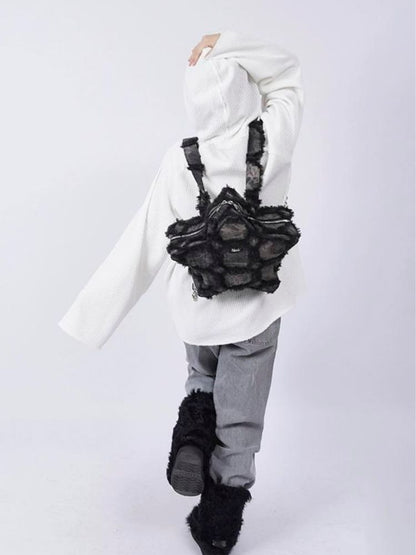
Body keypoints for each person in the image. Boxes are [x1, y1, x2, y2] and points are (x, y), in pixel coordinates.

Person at [58, 29, 305, 555]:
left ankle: (192, 433)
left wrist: (89, 319)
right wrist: (229, 43)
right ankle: (218, 524)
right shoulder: (273, 135)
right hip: (259, 307)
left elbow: (142, 241)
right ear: (243, 88)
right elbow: (286, 73)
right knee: (241, 413)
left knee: (203, 378)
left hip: (199, 306)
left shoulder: (180, 159)